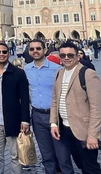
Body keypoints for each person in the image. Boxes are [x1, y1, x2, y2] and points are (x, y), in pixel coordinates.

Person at [50, 41, 101, 174]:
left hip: (84, 129)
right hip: (65, 128)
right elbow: (55, 100)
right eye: (63, 55)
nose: (66, 58)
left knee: (90, 167)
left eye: (70, 55)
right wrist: (53, 123)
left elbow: (97, 107)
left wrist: (93, 135)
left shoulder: (88, 74)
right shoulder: (59, 73)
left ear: (77, 56)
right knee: (79, 163)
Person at [0, 41, 30, 174]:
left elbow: (25, 98)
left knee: (16, 155)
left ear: (9, 53)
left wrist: (25, 120)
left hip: (13, 120)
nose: (1, 54)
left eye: (4, 52)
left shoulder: (18, 73)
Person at [25, 40, 72, 174]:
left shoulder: (57, 69)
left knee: (62, 154)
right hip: (37, 115)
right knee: (46, 155)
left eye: (38, 48)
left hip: (56, 115)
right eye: (32, 49)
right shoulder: (26, 70)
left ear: (45, 50)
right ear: (29, 52)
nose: (35, 51)